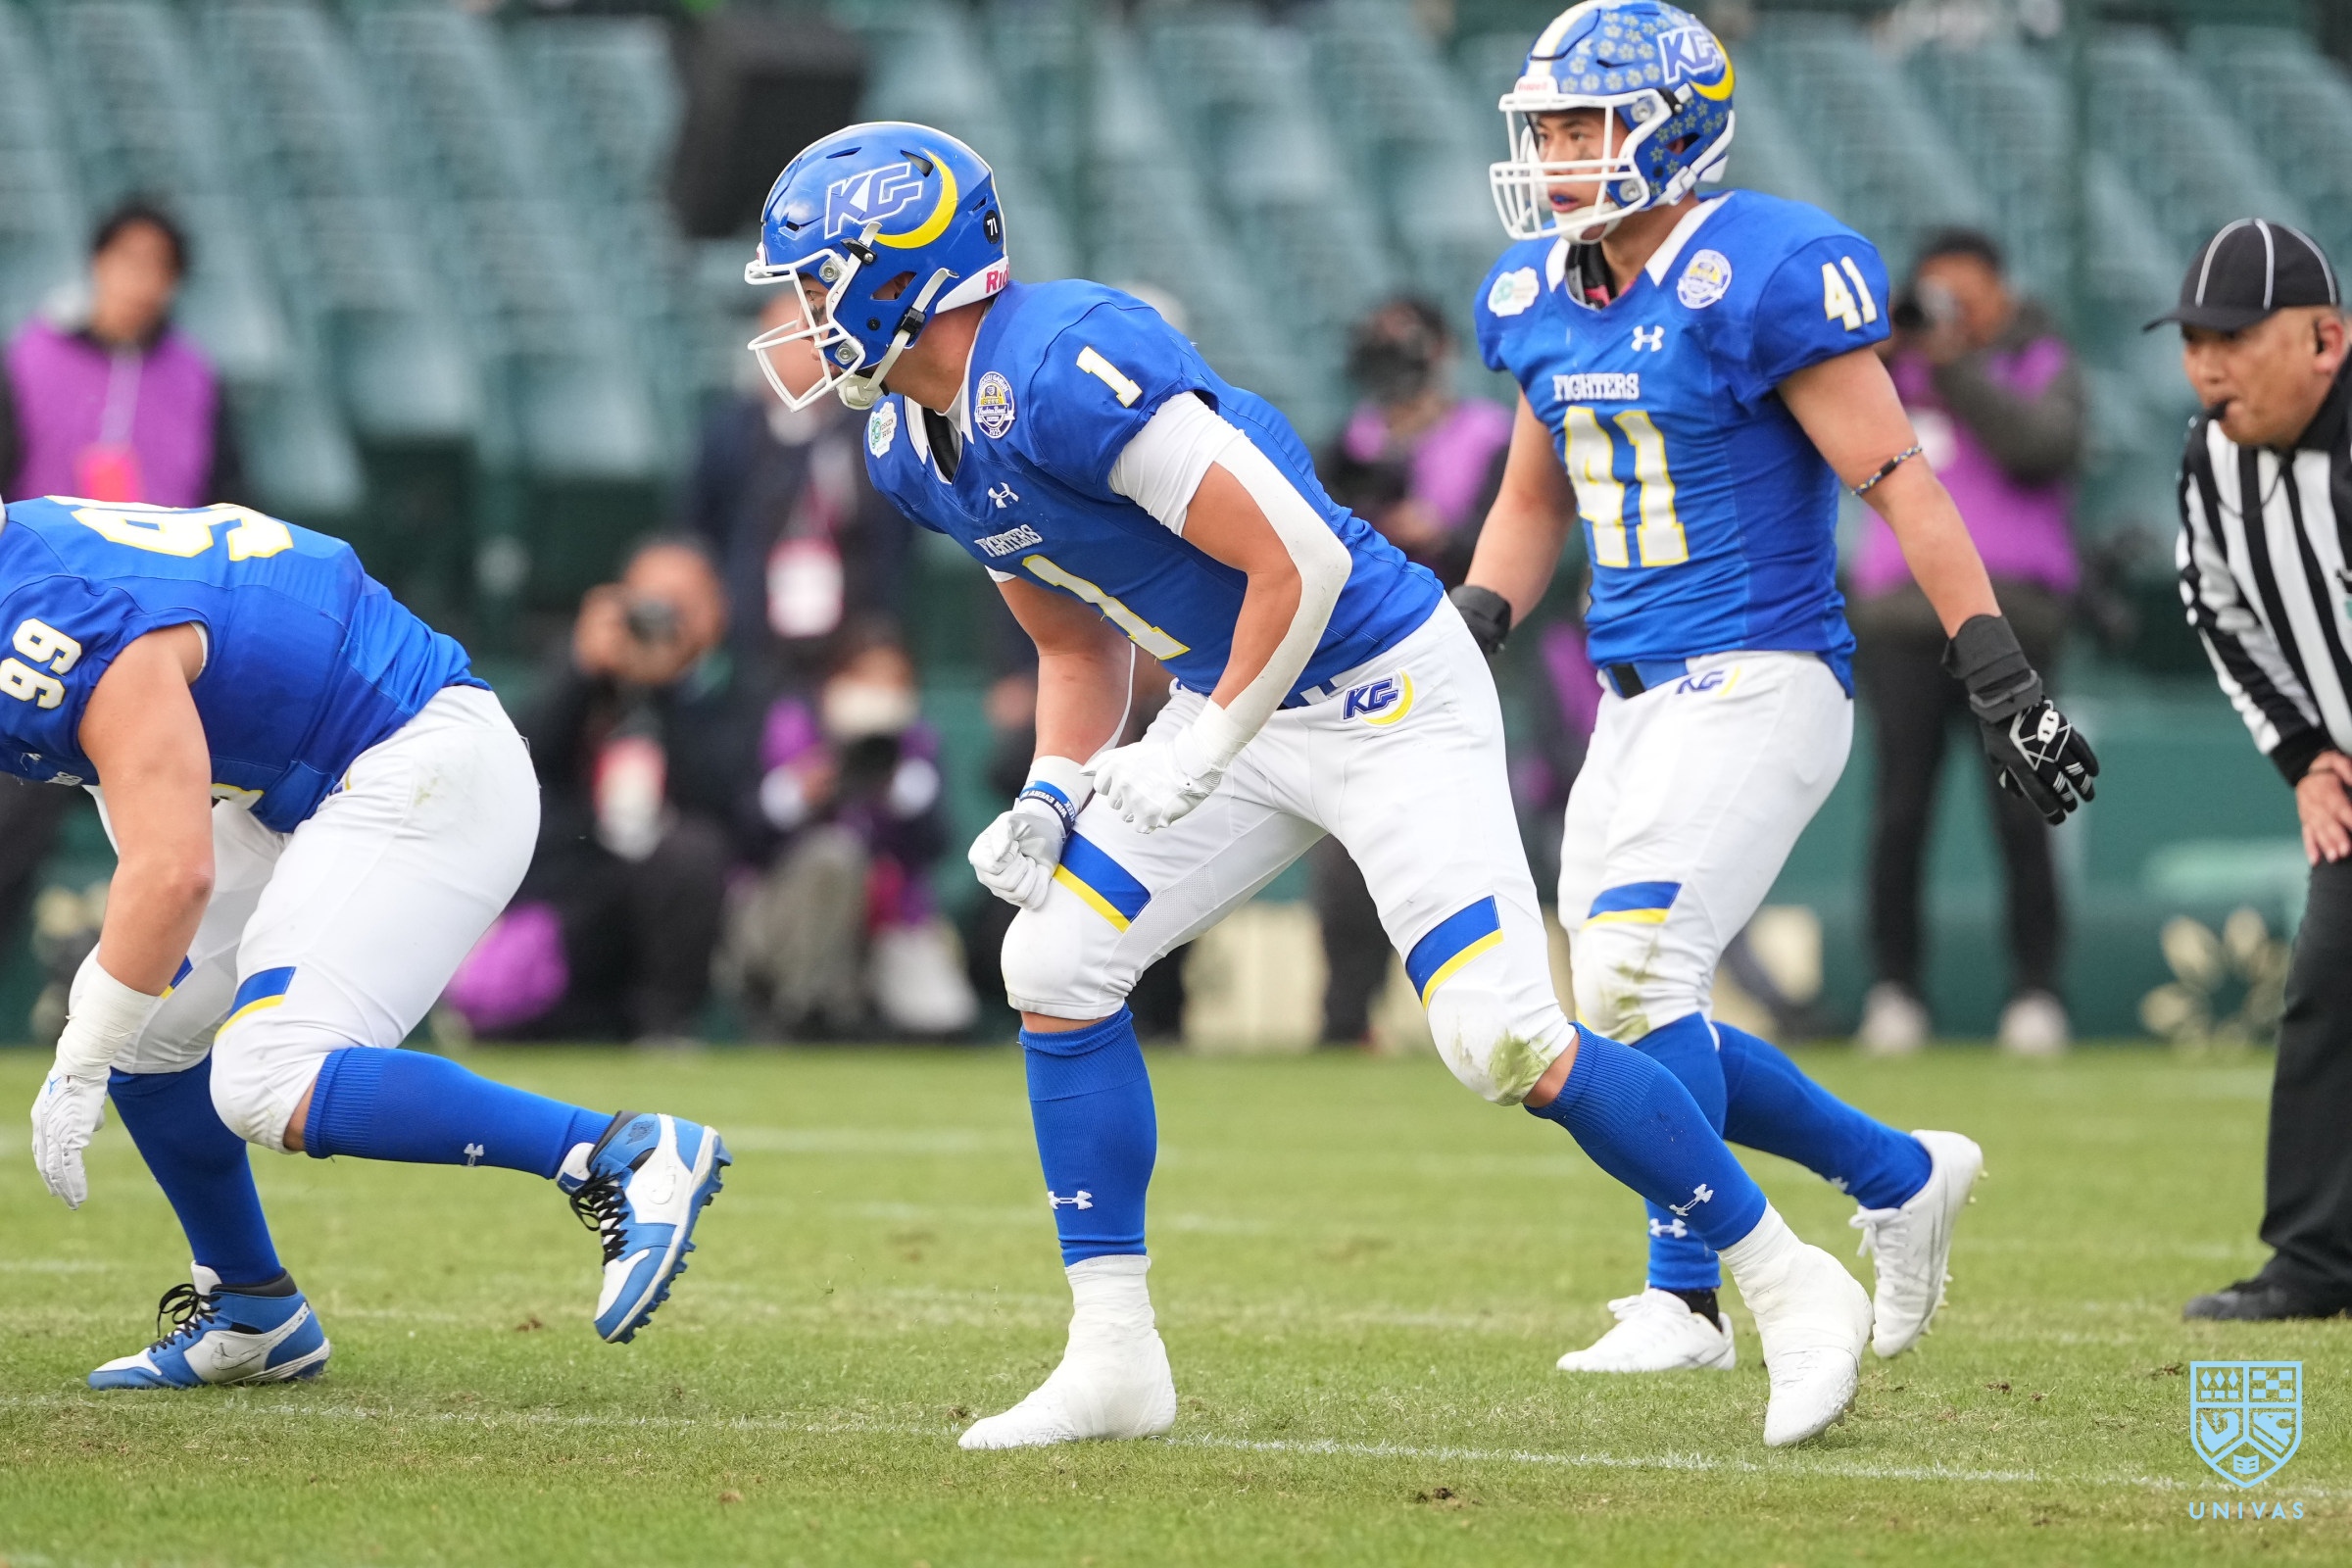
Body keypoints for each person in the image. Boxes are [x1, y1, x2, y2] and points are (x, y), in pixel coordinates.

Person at [750, 120, 1881, 1453]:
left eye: (817, 280)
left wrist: (1201, 743)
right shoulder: (908, 442)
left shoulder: (1061, 366)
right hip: (1245, 699)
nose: (800, 315)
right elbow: (1073, 642)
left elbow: (1303, 563)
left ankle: (1789, 1281)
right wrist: (1054, 791)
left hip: (1385, 689)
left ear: (903, 268)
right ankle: (1114, 1356)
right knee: (1051, 958)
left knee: (1502, 1038)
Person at [1456, 2, 2094, 1377]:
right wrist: (1474, 627)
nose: (1559, 157)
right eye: (1547, 131)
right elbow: (1532, 498)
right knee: (1623, 1006)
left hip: (1761, 673)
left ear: (1674, 131)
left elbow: (1900, 479)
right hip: (1633, 697)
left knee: (1634, 971)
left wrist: (1993, 665)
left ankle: (1686, 1300)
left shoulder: (1759, 270)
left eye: (1586, 127)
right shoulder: (1536, 293)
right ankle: (1897, 1174)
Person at [9, 493, 728, 1386]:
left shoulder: (49, 623)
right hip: (302, 782)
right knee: (144, 1028)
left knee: (263, 1075)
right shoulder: (35, 567)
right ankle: (253, 1309)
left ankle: (617, 1153)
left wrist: (81, 1054)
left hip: (414, 759)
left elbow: (172, 869)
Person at [2165, 218, 2352, 1322]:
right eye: (2194, 341)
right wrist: (2303, 755)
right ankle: (2314, 1263)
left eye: (2234, 337)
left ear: (2327, 339)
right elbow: (2214, 602)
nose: (2207, 366)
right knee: (2328, 992)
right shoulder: (2211, 459)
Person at [0, 200, 244, 1021]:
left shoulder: (196, 380)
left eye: (159, 267)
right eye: (127, 259)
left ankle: (169, 1016)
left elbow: (231, 505)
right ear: (97, 263)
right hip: (42, 627)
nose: (140, 281)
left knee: (198, 832)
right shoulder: (24, 360)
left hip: (158, 634)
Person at [1851, 229, 2086, 1056]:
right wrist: (1882, 343)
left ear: (2000, 295)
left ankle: (2036, 990)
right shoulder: (1890, 373)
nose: (1947, 310)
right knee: (1899, 814)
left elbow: (2040, 448)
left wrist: (1956, 367)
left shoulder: (2041, 359)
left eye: (1965, 294)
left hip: (2015, 627)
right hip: (1901, 627)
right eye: (1934, 294)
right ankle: (1894, 989)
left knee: (2027, 807)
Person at [1311, 297, 1516, 1045]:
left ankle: (1495, 1013)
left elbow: (1512, 538)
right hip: (1365, 662)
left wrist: (1440, 532)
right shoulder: (1353, 442)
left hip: (1472, 652)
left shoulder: (1488, 436)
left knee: (1477, 841)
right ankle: (1346, 1019)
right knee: (1348, 853)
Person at [447, 538, 744, 1045]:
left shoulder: (731, 690)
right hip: (583, 887)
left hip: (672, 888)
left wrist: (668, 688)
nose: (662, 619)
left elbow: (724, 799)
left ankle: (666, 1026)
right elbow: (523, 762)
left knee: (693, 853)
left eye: (681, 605)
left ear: (716, 612)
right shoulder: (582, 679)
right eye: (650, 604)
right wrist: (582, 670)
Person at [721, 630, 976, 1039]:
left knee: (942, 1016)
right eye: (867, 678)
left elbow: (937, 845)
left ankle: (855, 1008)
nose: (881, 693)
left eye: (895, 682)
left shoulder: (916, 748)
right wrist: (802, 792)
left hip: (887, 917)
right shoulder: (788, 728)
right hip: (780, 920)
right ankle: (800, 1010)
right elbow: (744, 837)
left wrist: (894, 789)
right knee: (834, 854)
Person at [682, 288, 913, 690]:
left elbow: (894, 535)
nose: (799, 352)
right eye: (785, 339)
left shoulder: (870, 426)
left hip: (850, 637)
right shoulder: (731, 431)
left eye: (810, 336)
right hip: (750, 635)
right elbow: (699, 522)